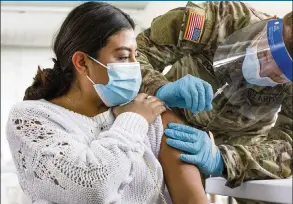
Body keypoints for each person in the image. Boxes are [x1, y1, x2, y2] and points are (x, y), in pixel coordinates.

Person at [6, 2, 209, 204]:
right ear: (82, 62)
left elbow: (194, 200)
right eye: (122, 57)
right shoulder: (31, 119)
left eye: (135, 56)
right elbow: (91, 188)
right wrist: (133, 120)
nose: (135, 68)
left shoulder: (155, 114)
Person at [137, 1, 292, 203]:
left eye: (279, 75)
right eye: (266, 53)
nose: (265, 70)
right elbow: (136, 53)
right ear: (272, 23)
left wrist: (224, 160)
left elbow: (289, 144)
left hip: (245, 140)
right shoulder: (218, 19)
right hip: (177, 113)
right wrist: (159, 87)